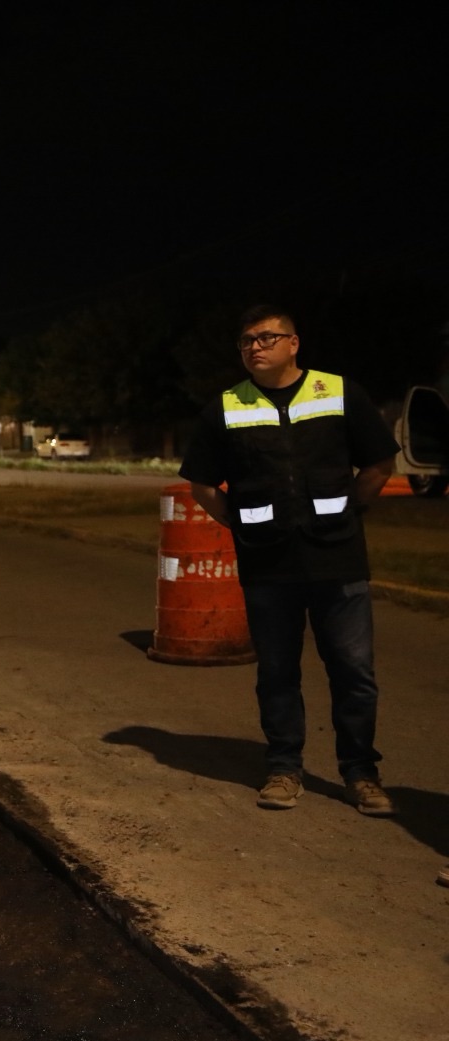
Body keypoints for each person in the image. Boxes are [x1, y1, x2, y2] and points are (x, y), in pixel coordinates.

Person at [181, 305, 399, 819]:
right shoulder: (225, 408)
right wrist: (244, 525)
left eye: (266, 338)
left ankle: (361, 774)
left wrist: (350, 509)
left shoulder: (338, 393)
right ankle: (283, 768)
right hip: (269, 564)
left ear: (294, 343)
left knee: (354, 673)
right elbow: (203, 486)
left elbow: (379, 463)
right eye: (246, 342)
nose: (255, 347)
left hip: (337, 559)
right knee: (277, 672)